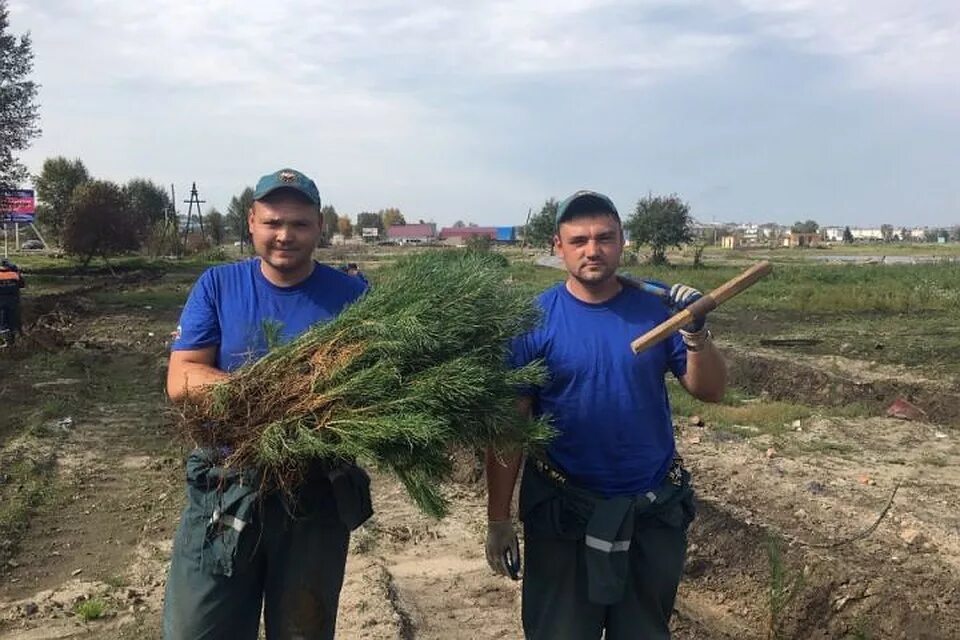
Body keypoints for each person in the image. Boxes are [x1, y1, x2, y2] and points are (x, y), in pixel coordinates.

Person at [484, 190, 727, 640]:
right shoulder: (533, 321)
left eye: (604, 238)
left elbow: (710, 390)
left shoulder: (658, 313)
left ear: (622, 241)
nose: (592, 250)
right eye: (578, 240)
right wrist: (498, 518)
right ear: (557, 247)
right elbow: (509, 429)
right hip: (565, 512)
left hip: (649, 513)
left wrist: (696, 331)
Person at [163, 168, 372, 640]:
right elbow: (181, 377)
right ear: (252, 222)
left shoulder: (355, 298)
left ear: (320, 226)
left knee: (303, 631)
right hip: (225, 486)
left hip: (314, 495)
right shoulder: (218, 285)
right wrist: (268, 399)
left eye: (299, 224)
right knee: (199, 630)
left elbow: (369, 392)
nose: (285, 235)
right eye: (273, 221)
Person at [0, 258, 25, 348]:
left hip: (1, 301)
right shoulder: (14, 274)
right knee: (13, 321)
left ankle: (7, 342)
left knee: (3, 322)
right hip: (14, 301)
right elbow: (22, 285)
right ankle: (14, 341)